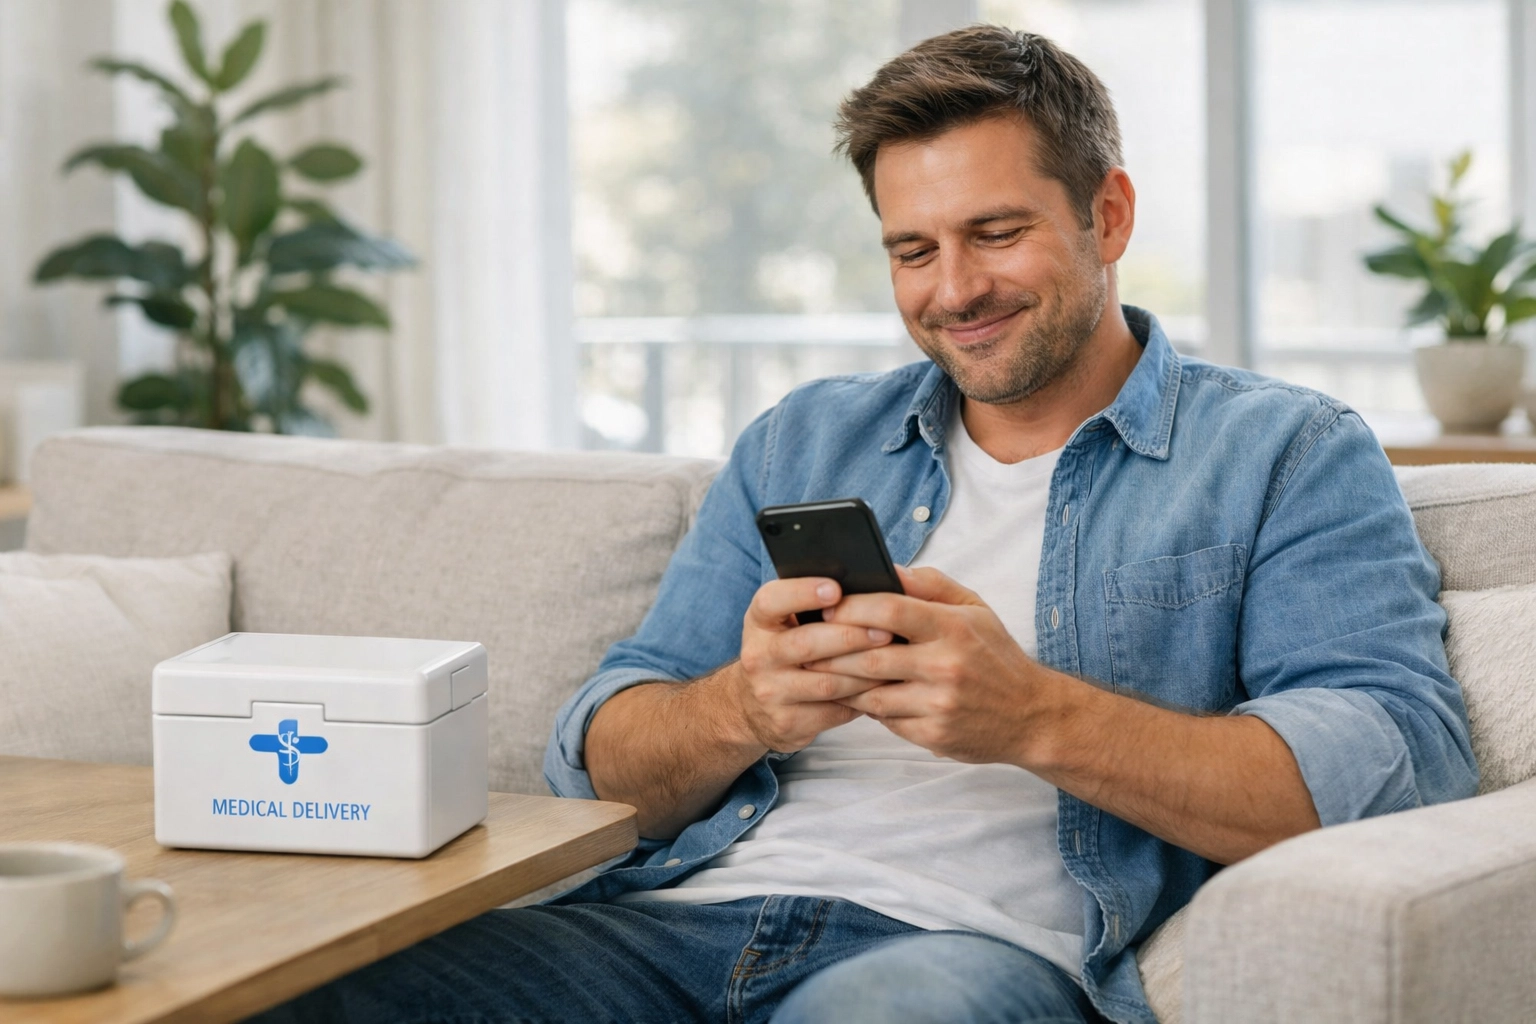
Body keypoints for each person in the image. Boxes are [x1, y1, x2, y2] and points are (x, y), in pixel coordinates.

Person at [254, 25, 1476, 1024]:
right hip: (673, 925)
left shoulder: (1287, 453)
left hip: (963, 957)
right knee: (313, 991)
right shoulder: (805, 442)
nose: (954, 290)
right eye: (912, 250)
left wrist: (1034, 715)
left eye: (997, 233)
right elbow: (601, 752)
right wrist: (740, 707)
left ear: (1107, 215)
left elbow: (1392, 764)